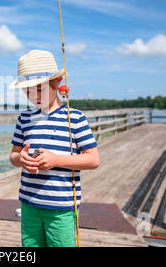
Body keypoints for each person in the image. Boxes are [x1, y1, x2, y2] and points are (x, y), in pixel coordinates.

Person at [9, 50, 99, 247]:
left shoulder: (74, 118)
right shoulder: (24, 119)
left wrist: (56, 160)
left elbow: (93, 159)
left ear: (57, 82)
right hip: (29, 203)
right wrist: (20, 159)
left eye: (39, 89)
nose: (34, 96)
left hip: (62, 208)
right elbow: (14, 155)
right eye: (28, 91)